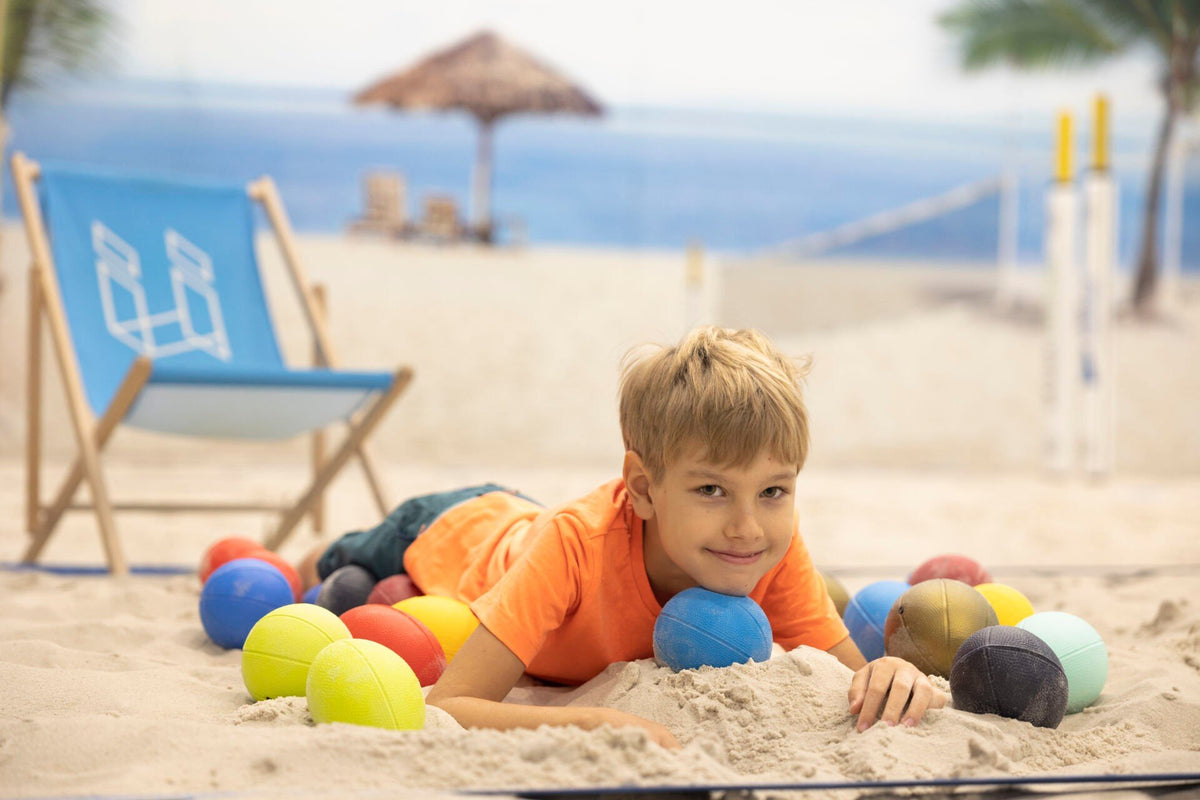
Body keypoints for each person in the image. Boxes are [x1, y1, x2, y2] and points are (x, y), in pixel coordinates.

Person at [298, 326, 946, 748]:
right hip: (459, 526)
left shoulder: (765, 545)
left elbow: (847, 671)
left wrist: (887, 671)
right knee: (333, 566)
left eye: (774, 491)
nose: (749, 526)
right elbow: (453, 702)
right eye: (711, 490)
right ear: (642, 486)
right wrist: (600, 722)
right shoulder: (575, 546)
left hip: (531, 525)